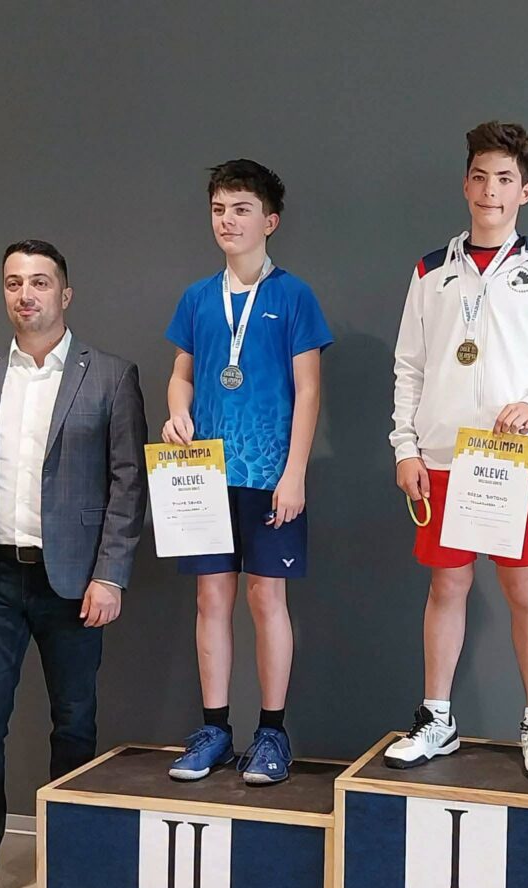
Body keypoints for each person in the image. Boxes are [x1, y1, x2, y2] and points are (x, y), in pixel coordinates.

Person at [0, 239, 147, 888]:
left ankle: (68, 860)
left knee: (74, 722)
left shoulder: (109, 376)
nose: (26, 294)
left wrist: (111, 575)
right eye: (14, 282)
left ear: (65, 294)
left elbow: (128, 484)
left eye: (40, 282)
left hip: (73, 581)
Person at [388, 122, 528, 781]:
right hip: (441, 458)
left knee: (523, 587)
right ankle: (437, 717)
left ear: (524, 191)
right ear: (465, 184)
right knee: (446, 585)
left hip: (510, 461)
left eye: (504, 179)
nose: (490, 190)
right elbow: (409, 366)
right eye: (480, 177)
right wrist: (405, 447)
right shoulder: (430, 271)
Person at [162, 159, 332, 786]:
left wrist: (296, 473)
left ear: (270, 220)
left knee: (266, 598)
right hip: (204, 476)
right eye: (218, 210)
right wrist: (177, 412)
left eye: (241, 209)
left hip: (268, 474)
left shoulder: (293, 295)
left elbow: (308, 390)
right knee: (211, 598)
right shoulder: (197, 297)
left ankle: (271, 733)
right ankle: (213, 730)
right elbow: (181, 374)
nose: (227, 221)